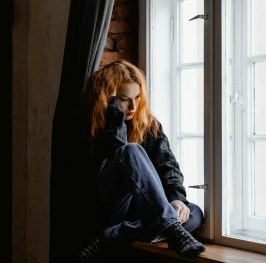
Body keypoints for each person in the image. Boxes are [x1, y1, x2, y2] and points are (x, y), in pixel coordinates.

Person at [79, 60, 205, 262]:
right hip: (111, 206)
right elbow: (107, 164)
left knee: (194, 213)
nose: (133, 106)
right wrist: (115, 119)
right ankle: (165, 226)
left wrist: (176, 199)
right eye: (123, 99)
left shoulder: (149, 124)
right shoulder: (91, 126)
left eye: (137, 98)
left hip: (142, 211)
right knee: (130, 150)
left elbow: (168, 167)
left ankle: (116, 234)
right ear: (107, 99)